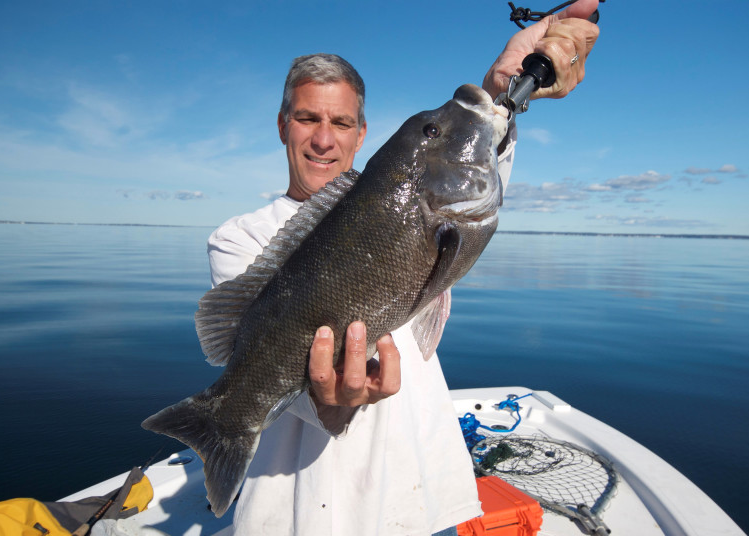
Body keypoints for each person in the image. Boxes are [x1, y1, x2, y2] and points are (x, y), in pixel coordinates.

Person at [207, 2, 600, 534]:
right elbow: (274, 371)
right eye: (308, 118)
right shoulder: (238, 237)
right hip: (304, 516)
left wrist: (504, 88)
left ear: (362, 134)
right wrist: (334, 404)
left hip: (425, 501)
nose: (324, 139)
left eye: (341, 122)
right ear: (283, 126)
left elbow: (471, 173)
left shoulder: (417, 195)